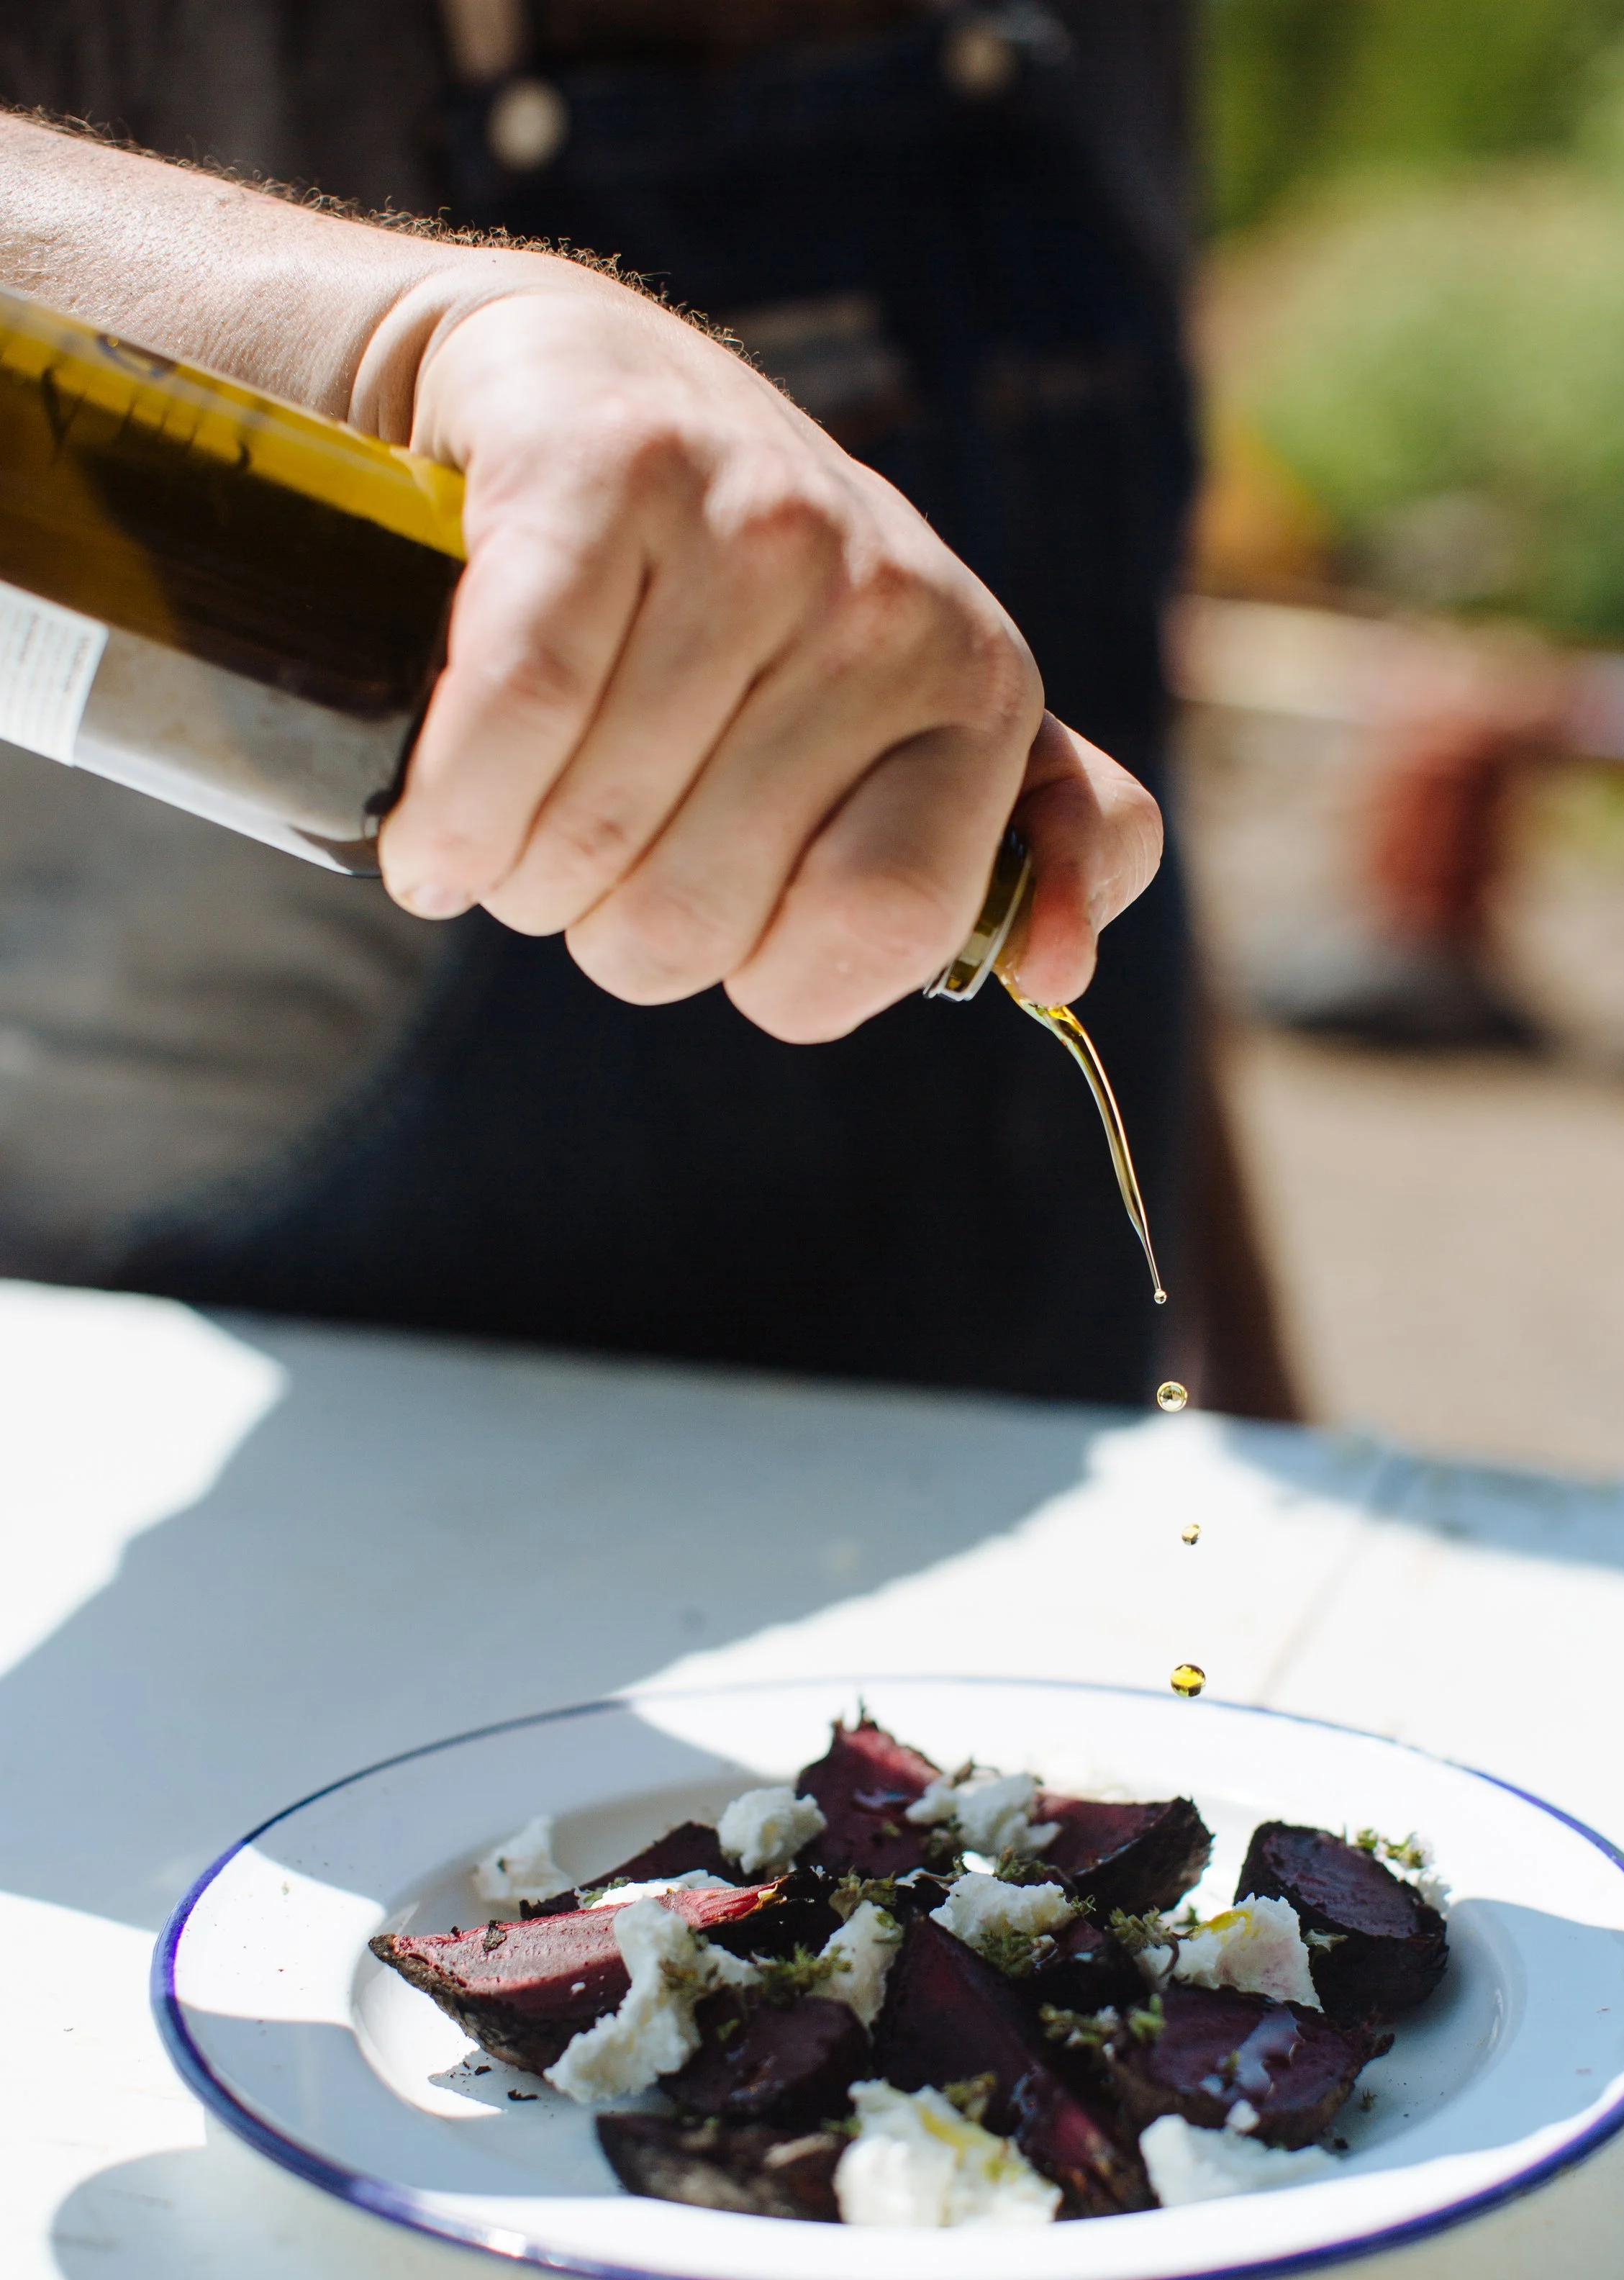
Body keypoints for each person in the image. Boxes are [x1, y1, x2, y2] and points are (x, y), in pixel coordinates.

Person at [0, 4, 1297, 1411]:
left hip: (1019, 1445)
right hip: (235, 1413)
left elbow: (1096, 850)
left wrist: (1273, 1438)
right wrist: (389, 337)